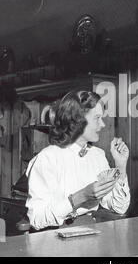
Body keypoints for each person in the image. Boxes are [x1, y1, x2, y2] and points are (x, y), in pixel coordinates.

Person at [26, 91, 130, 230]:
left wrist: (120, 167)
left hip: (91, 235)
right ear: (77, 121)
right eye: (97, 118)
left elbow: (119, 208)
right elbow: (36, 219)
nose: (103, 124)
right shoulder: (47, 159)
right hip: (53, 238)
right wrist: (81, 196)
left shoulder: (98, 156)